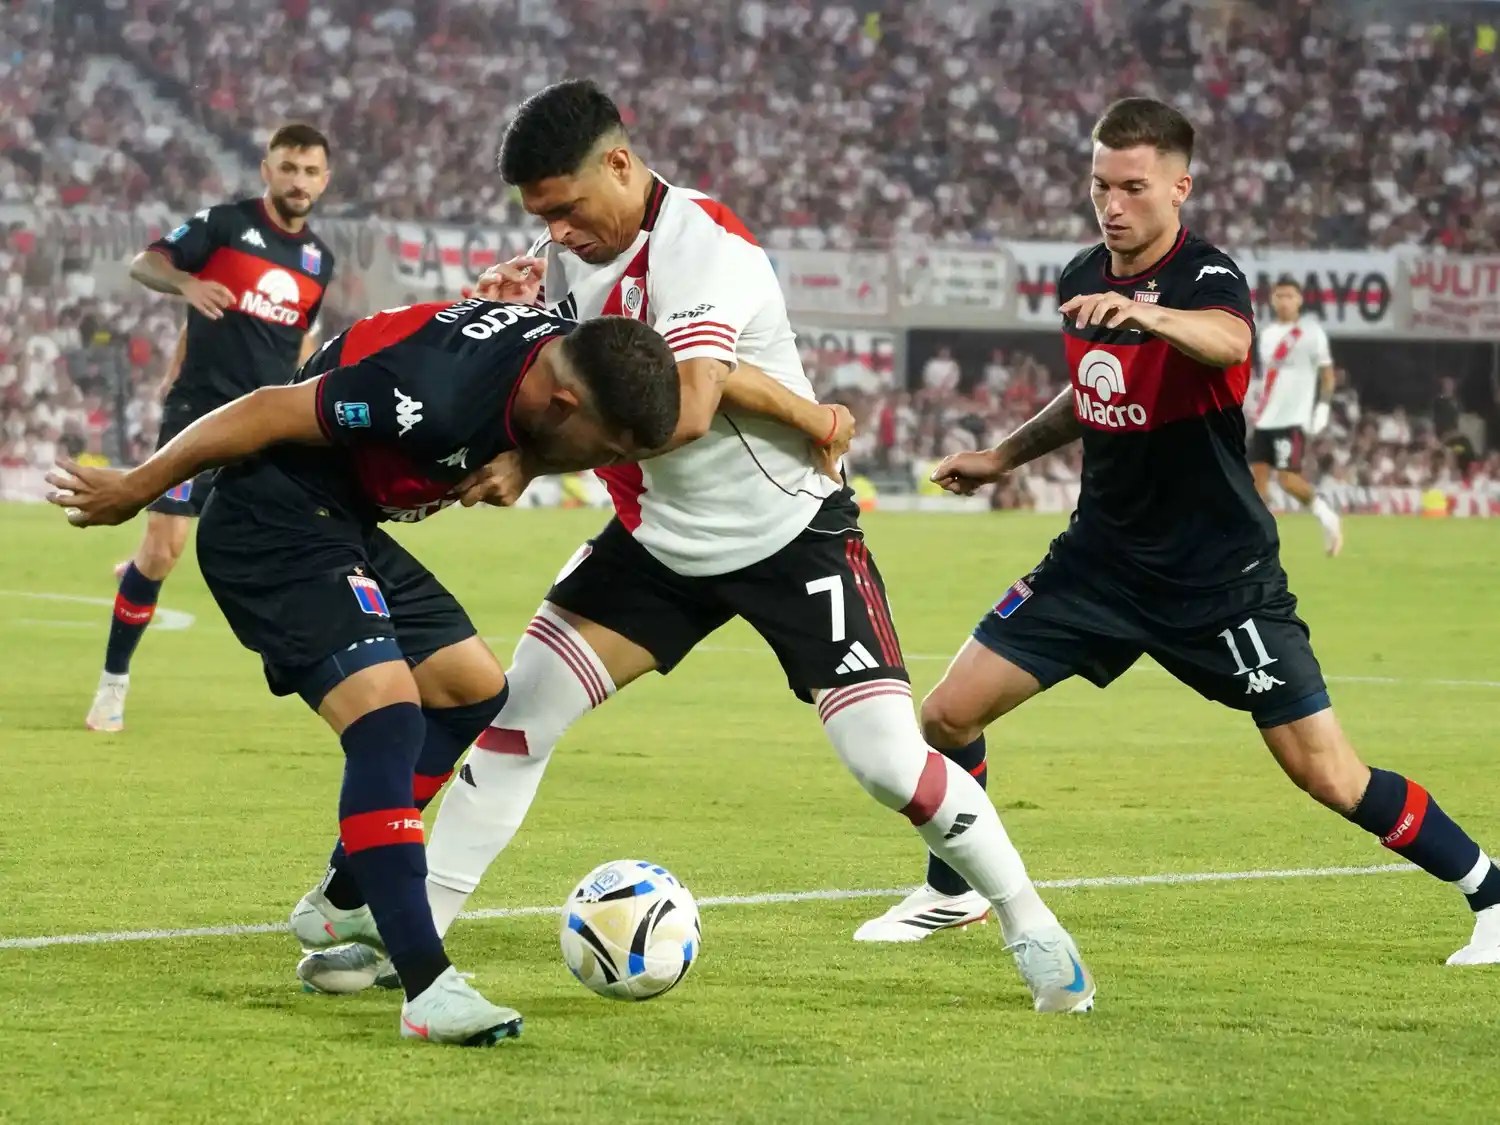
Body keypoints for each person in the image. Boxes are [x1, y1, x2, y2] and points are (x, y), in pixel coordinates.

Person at [298, 79, 1094, 1015]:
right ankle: (412, 939)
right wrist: (527, 325)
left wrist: (525, 460)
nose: (555, 231)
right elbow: (583, 371)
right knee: (513, 722)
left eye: (565, 208)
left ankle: (1032, 924)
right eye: (539, 217)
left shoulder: (704, 249)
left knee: (885, 759)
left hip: (789, 536)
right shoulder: (570, 258)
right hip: (657, 542)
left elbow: (682, 408)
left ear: (622, 166)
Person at [855, 97, 1500, 971]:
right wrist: (1003, 455)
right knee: (946, 714)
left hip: (1217, 578)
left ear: (1178, 188)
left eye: (1132, 187)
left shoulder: (1208, 277)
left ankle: (1489, 891)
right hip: (1098, 562)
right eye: (1098, 186)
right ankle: (955, 885)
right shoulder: (1083, 272)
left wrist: (1151, 316)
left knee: (1329, 775)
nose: (1111, 206)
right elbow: (1089, 392)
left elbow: (1228, 343)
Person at [47, 297, 685, 1045]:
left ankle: (345, 895)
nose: (603, 465)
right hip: (271, 522)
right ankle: (427, 986)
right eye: (602, 448)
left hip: (343, 521)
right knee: (387, 718)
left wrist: (536, 454)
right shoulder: (430, 399)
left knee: (470, 689)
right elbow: (263, 409)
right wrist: (139, 485)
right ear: (564, 402)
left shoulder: (560, 343)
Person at [87, 122, 337, 732]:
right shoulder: (225, 225)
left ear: (324, 180)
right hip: (198, 416)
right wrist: (187, 283)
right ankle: (112, 687)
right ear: (266, 170)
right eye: (288, 168)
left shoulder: (318, 260)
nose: (298, 181)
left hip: (269, 422)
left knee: (285, 543)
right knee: (167, 550)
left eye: (309, 172)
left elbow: (294, 336)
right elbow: (146, 262)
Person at [1247, 278, 1344, 556]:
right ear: (1273, 300)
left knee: (1288, 480)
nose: (1284, 301)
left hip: (1292, 419)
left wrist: (1323, 407)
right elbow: (1268, 378)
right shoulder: (1265, 335)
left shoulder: (1312, 334)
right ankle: (1258, 545)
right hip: (1266, 418)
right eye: (1279, 296)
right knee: (1256, 484)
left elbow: (1327, 375)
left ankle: (1327, 517)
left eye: (1289, 295)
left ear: (1299, 300)